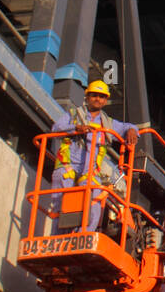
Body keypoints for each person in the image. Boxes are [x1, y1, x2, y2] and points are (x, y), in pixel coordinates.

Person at [51, 80, 140, 233]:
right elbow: (56, 128)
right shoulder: (72, 115)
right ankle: (56, 239)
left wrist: (133, 130)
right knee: (61, 205)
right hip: (67, 166)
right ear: (87, 97)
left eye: (101, 96)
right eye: (94, 95)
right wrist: (75, 128)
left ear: (105, 100)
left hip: (90, 171)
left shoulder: (107, 123)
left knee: (93, 206)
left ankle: (82, 237)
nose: (98, 99)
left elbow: (127, 127)